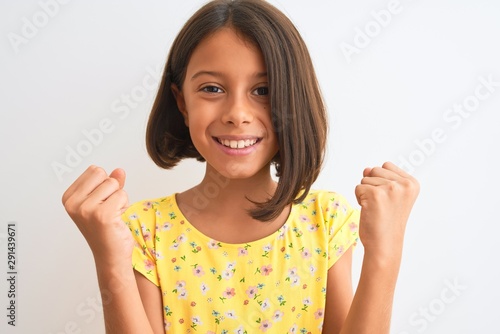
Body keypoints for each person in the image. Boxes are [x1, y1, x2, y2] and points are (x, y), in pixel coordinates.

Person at [62, 0, 419, 333]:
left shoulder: (325, 222)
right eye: (212, 89)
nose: (237, 114)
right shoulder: (144, 231)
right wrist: (110, 259)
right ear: (181, 102)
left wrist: (385, 253)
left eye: (263, 90)